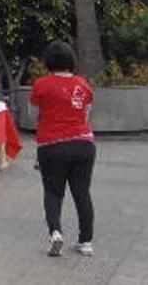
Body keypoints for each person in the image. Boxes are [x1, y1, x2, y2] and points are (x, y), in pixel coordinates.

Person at [30, 41, 95, 258]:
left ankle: (56, 233)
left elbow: (34, 115)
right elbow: (86, 115)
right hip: (84, 144)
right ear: (71, 61)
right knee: (82, 193)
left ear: (48, 61)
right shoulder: (83, 85)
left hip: (52, 145)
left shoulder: (41, 85)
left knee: (53, 192)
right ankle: (86, 242)